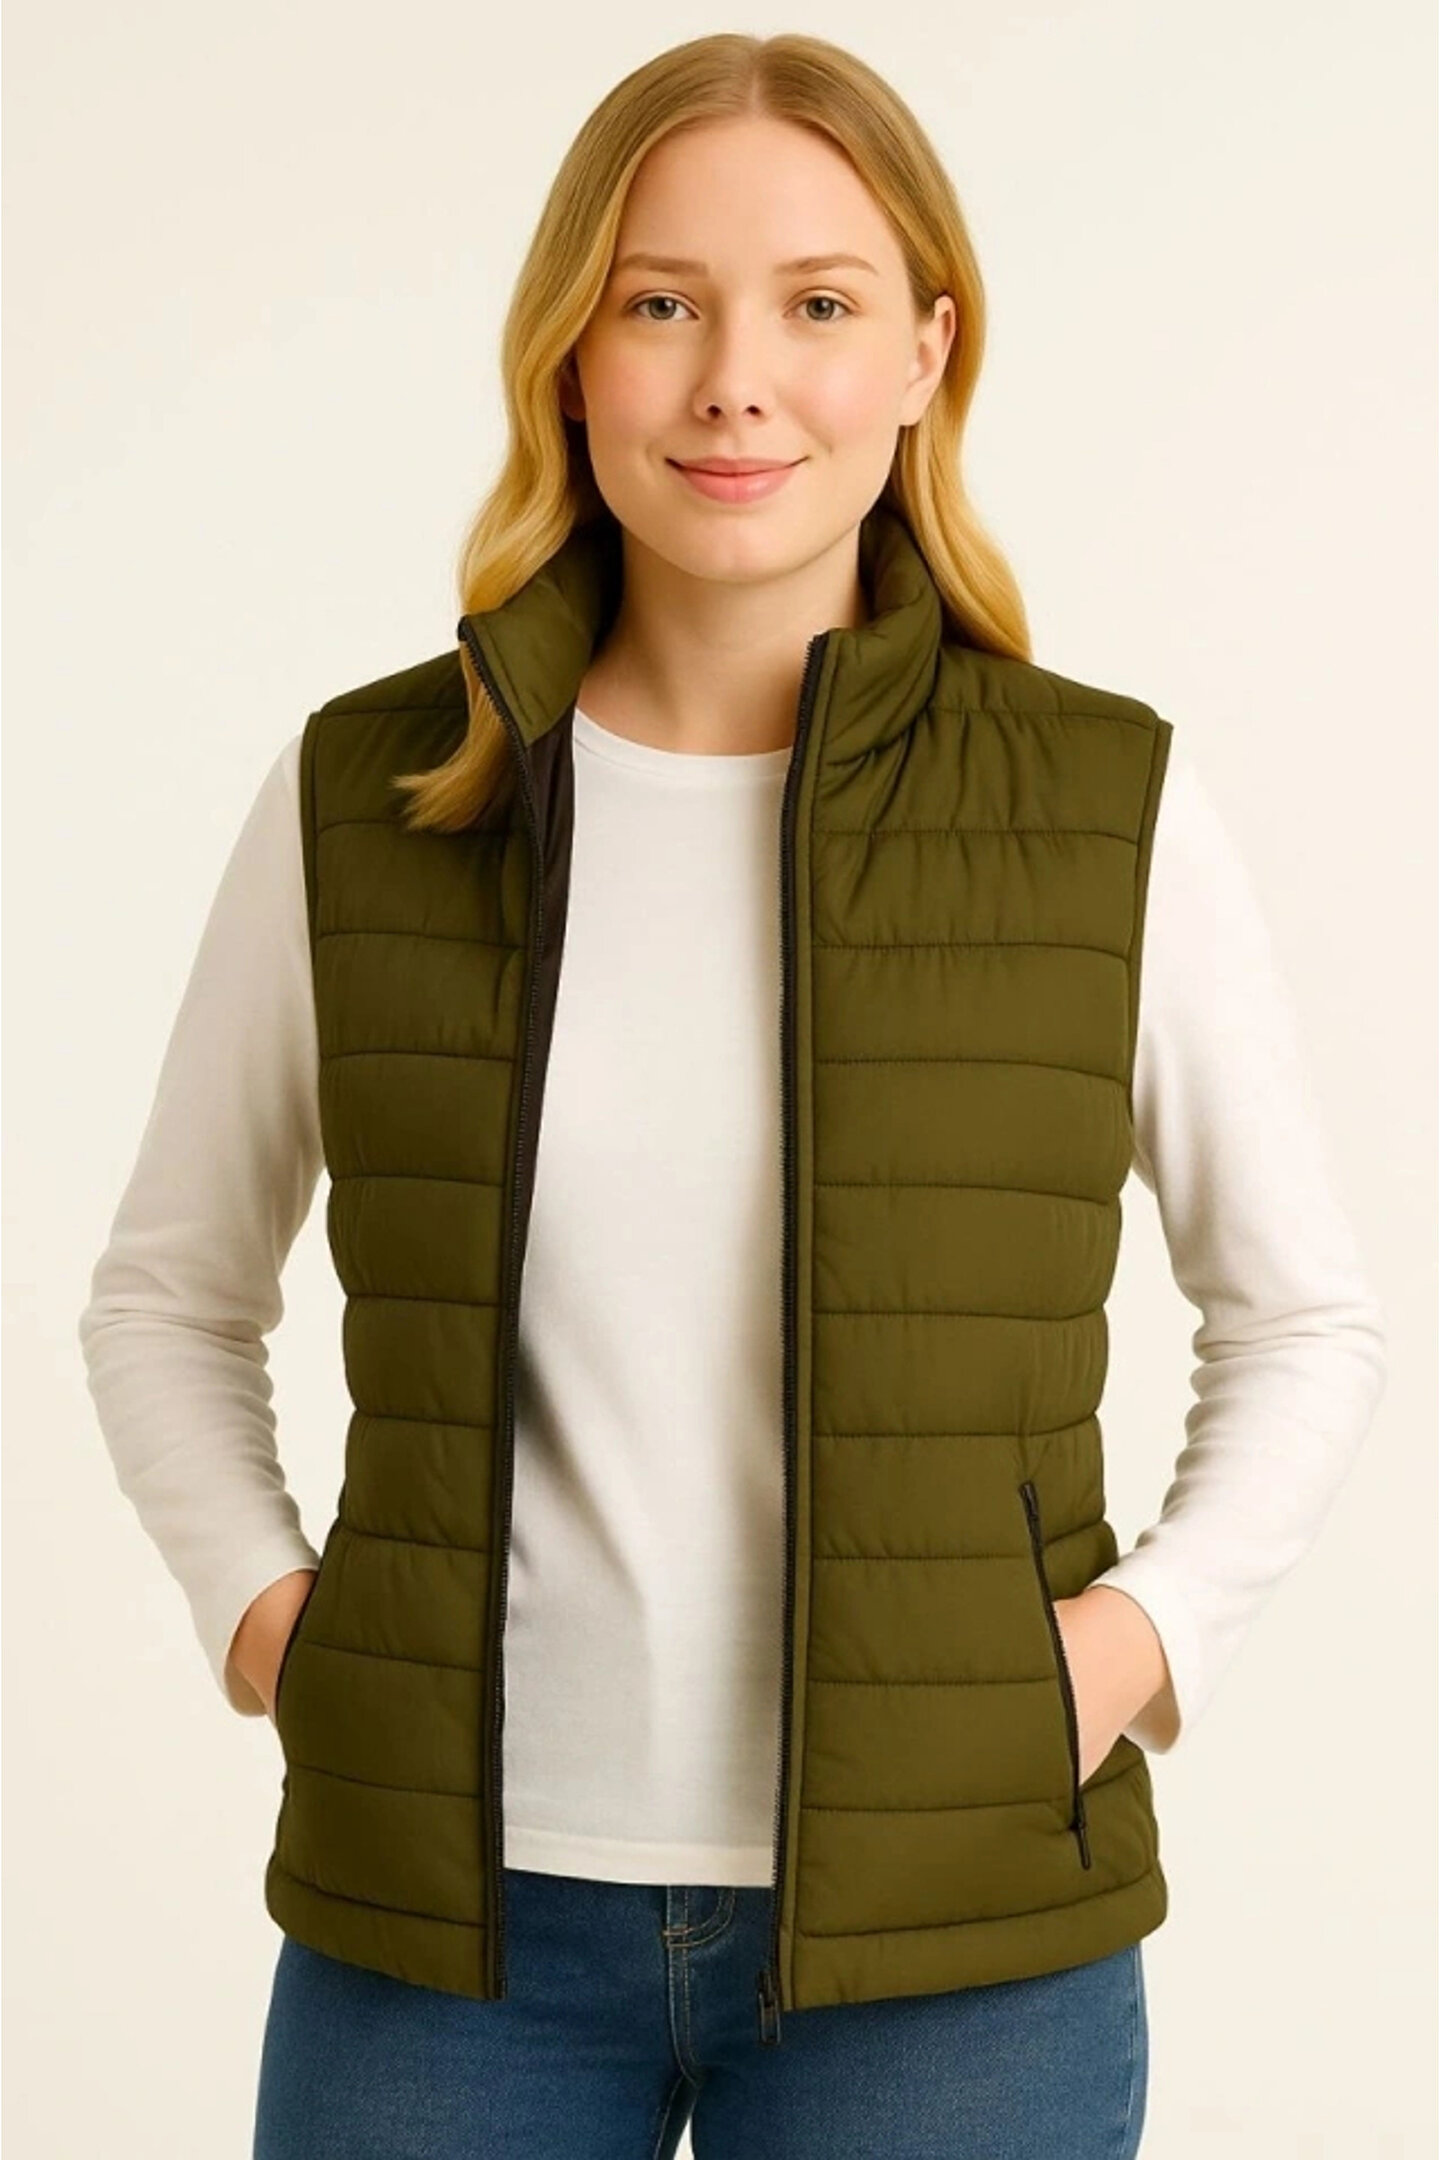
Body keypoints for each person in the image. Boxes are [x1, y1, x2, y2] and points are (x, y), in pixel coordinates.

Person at [77, 32, 1387, 2160]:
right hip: (451, 1942)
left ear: (927, 353)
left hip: (957, 1952)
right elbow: (166, 1293)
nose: (735, 384)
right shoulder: (371, 799)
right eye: (663, 301)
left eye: (820, 303)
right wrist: (273, 1626)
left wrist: (1131, 1649)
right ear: (571, 353)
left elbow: (1304, 1315)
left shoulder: (1102, 810)